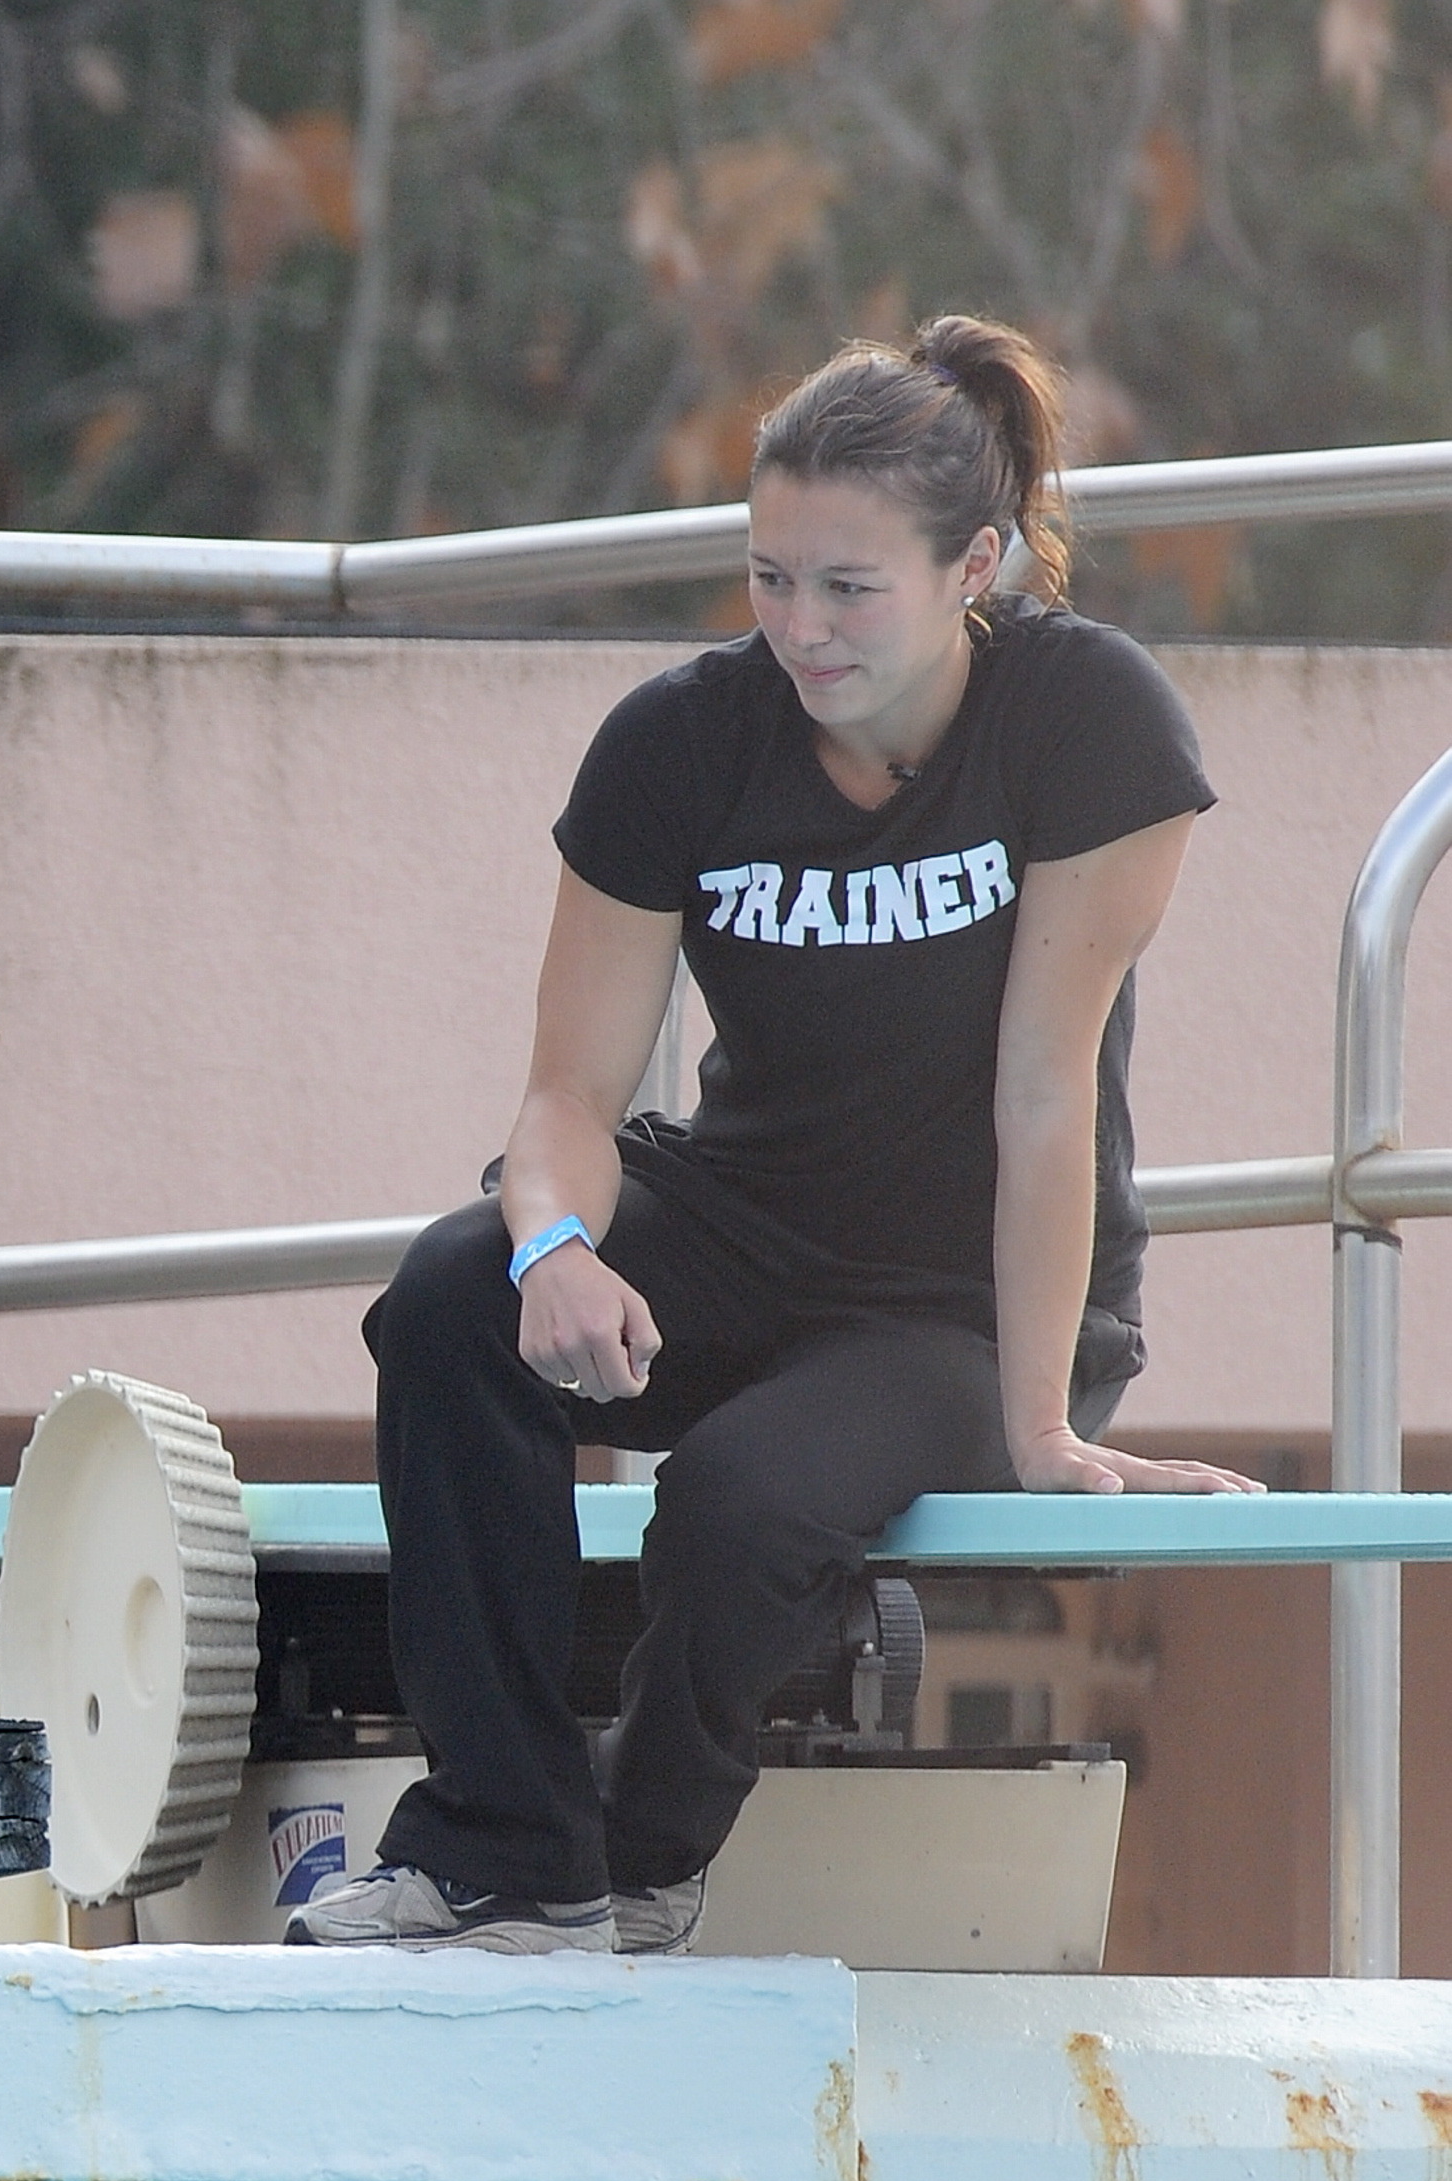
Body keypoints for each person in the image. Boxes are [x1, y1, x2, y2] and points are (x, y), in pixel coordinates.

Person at [291, 314, 1257, 1957]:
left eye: (849, 588)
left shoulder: (1090, 720)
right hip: (744, 1229)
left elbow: (1045, 1094)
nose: (801, 627)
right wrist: (553, 1244)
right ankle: (504, 1857)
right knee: (454, 1293)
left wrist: (1040, 1423)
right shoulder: (678, 744)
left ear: (973, 567)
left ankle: (638, 1862)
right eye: (770, 578)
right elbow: (568, 1097)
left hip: (974, 1304)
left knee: (743, 1494)